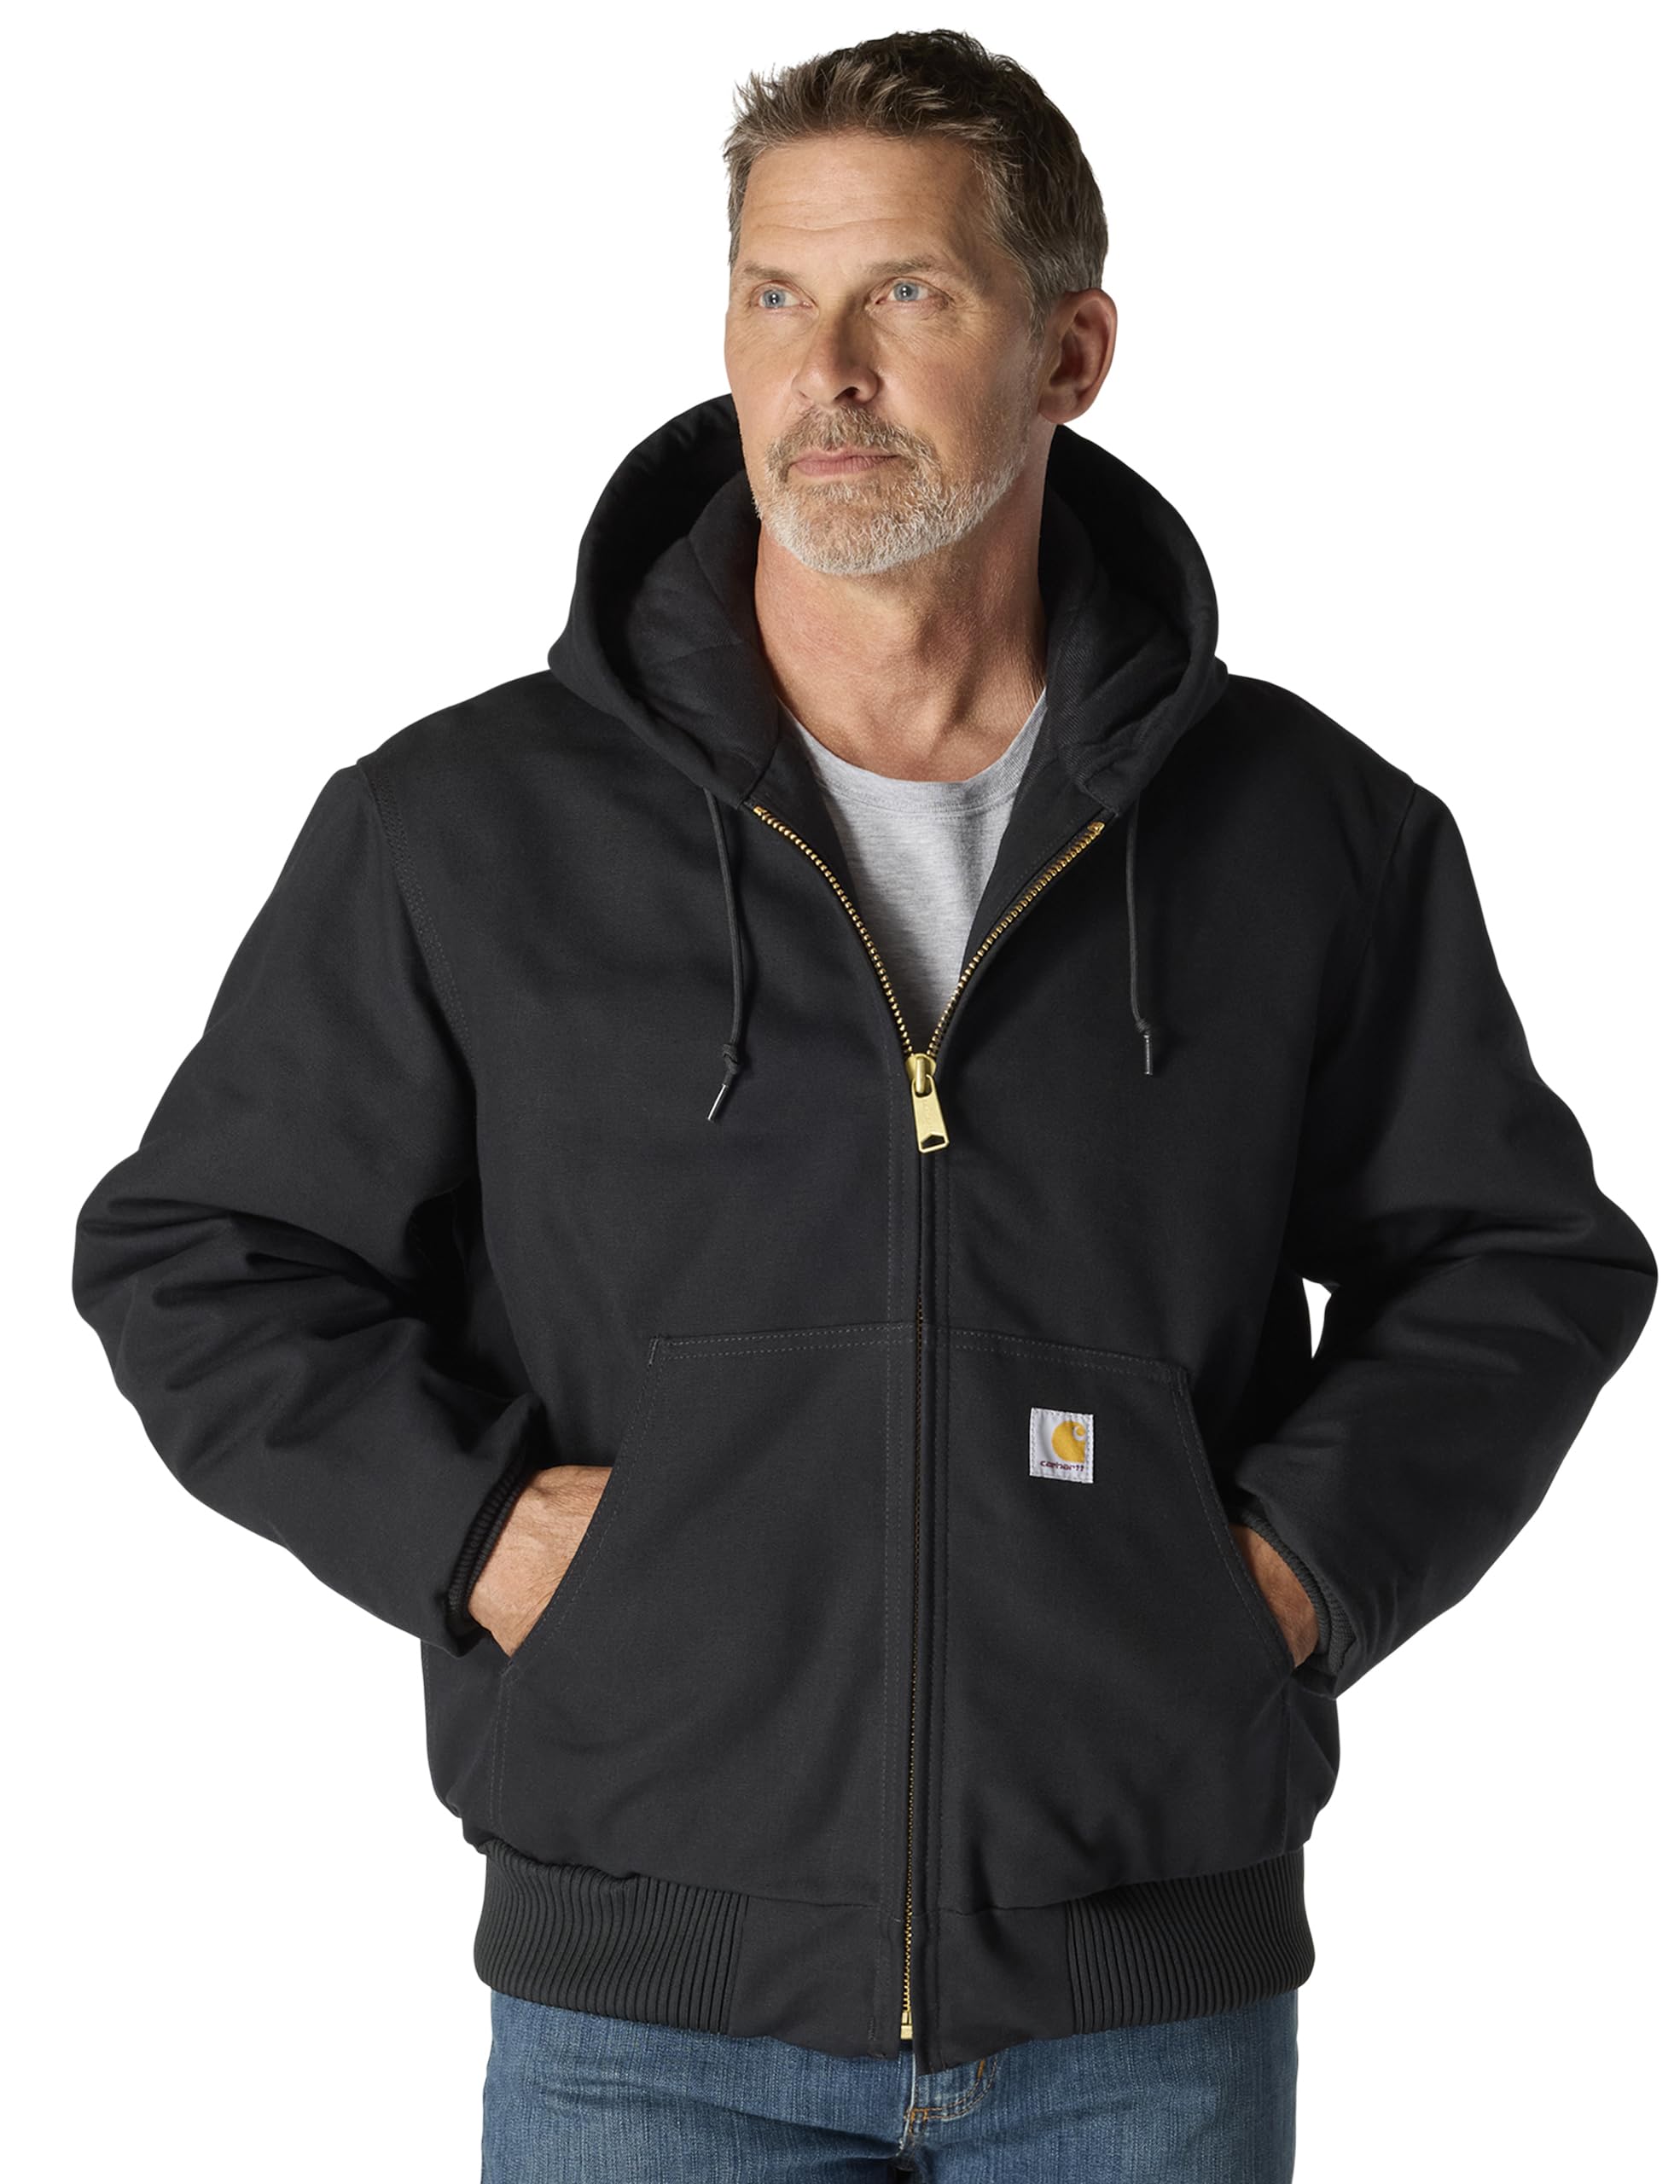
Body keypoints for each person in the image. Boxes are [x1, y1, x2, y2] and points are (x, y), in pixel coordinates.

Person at [70, 27, 1658, 2184]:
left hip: (1142, 2012)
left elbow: (1516, 1259)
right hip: (644, 2022)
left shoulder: (1308, 831)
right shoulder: (465, 825)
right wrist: (476, 1529)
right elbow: (200, 1250)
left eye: (906, 293)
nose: (825, 371)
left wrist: (1280, 1574)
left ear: (1069, 350)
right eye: (773, 295)